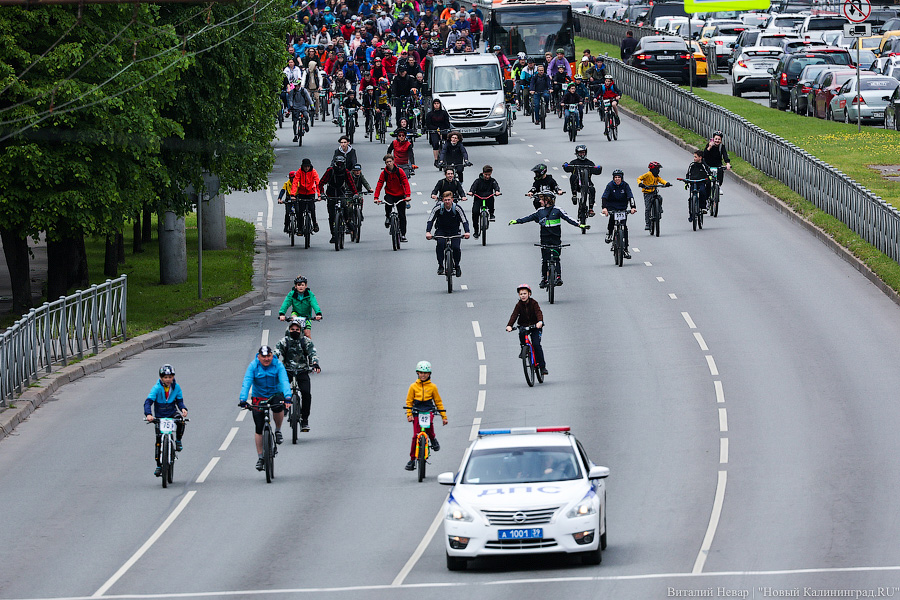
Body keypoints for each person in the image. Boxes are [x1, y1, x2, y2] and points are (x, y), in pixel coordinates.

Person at [508, 188, 586, 287]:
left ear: (547, 200)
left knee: (556, 259)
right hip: (544, 239)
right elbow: (528, 218)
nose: (539, 201)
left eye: (541, 199)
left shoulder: (558, 210)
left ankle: (558, 277)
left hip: (556, 239)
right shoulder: (540, 211)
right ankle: (544, 279)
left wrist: (579, 225)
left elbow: (568, 218)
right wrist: (517, 221)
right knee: (545, 260)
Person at [239, 346, 292, 471]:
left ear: (271, 355)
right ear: (259, 357)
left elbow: (284, 380)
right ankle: (261, 457)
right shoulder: (253, 366)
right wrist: (243, 399)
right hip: (259, 396)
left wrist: (288, 397)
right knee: (258, 427)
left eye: (268, 356)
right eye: (264, 357)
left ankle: (278, 430)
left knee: (279, 407)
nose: (266, 359)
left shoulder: (277, 364)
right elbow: (247, 382)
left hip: (275, 393)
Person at [274, 317, 321, 433]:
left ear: (300, 330)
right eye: (292, 329)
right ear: (288, 329)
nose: (294, 331)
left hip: (302, 371)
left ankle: (305, 420)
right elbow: (276, 352)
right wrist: (272, 362)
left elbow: (313, 353)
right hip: (287, 370)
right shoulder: (284, 341)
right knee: (280, 390)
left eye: (297, 329)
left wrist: (315, 364)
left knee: (306, 394)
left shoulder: (305, 341)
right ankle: (284, 408)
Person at [144, 364, 188, 477]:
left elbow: (180, 401)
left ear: (173, 377)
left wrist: (183, 409)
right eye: (165, 377)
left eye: (170, 377)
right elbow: (148, 402)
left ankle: (178, 440)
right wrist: (149, 414)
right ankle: (159, 465)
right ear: (161, 378)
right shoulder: (157, 388)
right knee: (158, 441)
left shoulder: (176, 387)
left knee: (181, 421)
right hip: (159, 416)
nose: (168, 380)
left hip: (171, 413)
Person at [404, 361, 448, 470]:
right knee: (415, 436)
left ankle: (432, 438)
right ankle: (412, 459)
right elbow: (409, 401)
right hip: (416, 410)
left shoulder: (433, 387)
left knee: (429, 425)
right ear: (417, 373)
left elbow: (438, 401)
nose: (423, 375)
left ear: (429, 374)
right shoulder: (413, 387)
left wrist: (444, 416)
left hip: (428, 409)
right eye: (421, 373)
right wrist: (409, 414)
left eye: (426, 373)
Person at [426, 191, 471, 275]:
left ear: (452, 200)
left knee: (456, 247)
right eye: (445, 200)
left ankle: (457, 265)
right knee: (440, 244)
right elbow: (430, 220)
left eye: (449, 200)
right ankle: (440, 265)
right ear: (443, 200)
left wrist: (467, 232)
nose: (447, 202)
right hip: (441, 230)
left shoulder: (457, 208)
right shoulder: (438, 208)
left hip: (454, 230)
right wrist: (428, 232)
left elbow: (464, 221)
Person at [505, 285, 546, 375]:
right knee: (522, 333)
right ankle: (523, 348)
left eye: (525, 294)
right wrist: (509, 325)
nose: (523, 296)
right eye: (521, 294)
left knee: (536, 344)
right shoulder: (518, 305)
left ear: (529, 294)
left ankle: (542, 367)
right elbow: (514, 315)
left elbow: (538, 312)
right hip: (523, 325)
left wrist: (540, 322)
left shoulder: (534, 303)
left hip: (535, 326)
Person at [318, 155, 359, 245]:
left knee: (345, 208)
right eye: (338, 164)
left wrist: (355, 193)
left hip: (341, 192)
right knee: (331, 216)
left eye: (341, 164)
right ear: (335, 163)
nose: (339, 166)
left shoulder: (346, 172)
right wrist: (321, 193)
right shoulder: (330, 170)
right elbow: (321, 183)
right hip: (331, 194)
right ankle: (333, 234)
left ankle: (347, 222)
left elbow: (351, 183)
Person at [374, 154, 412, 242]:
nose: (389, 163)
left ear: (393, 161)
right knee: (388, 204)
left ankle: (403, 234)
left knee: (402, 216)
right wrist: (376, 197)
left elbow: (406, 183)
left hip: (400, 195)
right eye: (387, 162)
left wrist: (408, 195)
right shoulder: (384, 173)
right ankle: (387, 217)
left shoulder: (400, 171)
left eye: (390, 161)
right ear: (385, 163)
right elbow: (379, 184)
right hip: (390, 194)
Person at [600, 169, 636, 259]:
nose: (617, 179)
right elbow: (604, 197)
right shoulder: (610, 185)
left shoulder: (625, 185)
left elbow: (630, 197)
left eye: (619, 177)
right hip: (612, 207)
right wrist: (604, 208)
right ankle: (609, 233)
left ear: (621, 178)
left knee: (624, 227)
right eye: (615, 177)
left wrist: (633, 207)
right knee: (612, 220)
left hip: (622, 207)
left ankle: (625, 249)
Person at [562, 145, 602, 216]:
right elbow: (567, 169)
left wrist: (599, 168)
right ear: (577, 153)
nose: (582, 154)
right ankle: (574, 195)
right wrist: (565, 165)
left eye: (583, 153)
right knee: (573, 176)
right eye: (580, 153)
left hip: (587, 184)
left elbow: (596, 171)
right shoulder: (574, 162)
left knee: (592, 189)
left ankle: (591, 209)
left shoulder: (589, 163)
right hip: (577, 185)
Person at [467, 164, 500, 237]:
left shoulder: (492, 181)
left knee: (491, 200)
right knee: (475, 213)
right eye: (486, 174)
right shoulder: (477, 181)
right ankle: (476, 230)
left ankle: (491, 213)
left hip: (488, 197)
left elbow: (496, 186)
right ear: (483, 173)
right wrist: (471, 192)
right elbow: (473, 188)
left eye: (489, 175)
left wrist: (497, 191)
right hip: (479, 198)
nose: (487, 176)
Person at [637, 161, 672, 230]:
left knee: (660, 198)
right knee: (648, 208)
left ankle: (659, 208)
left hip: (654, 191)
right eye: (657, 169)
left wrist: (666, 183)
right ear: (653, 169)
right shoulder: (648, 174)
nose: (658, 171)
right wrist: (640, 184)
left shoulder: (656, 176)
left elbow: (661, 180)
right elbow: (639, 178)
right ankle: (647, 223)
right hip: (647, 193)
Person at [683, 149, 713, 222]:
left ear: (700, 158)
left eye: (696, 157)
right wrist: (686, 182)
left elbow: (708, 172)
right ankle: (691, 214)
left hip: (701, 182)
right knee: (691, 199)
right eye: (694, 157)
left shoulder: (703, 165)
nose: (694, 158)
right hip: (693, 182)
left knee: (702, 191)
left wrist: (709, 177)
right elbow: (688, 174)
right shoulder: (692, 165)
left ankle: (703, 207)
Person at [424, 98, 451, 165]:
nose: (436, 105)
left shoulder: (444, 113)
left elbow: (447, 123)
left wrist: (442, 129)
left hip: (443, 130)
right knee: (435, 143)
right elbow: (428, 124)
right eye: (435, 104)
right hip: (434, 130)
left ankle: (448, 157)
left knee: (447, 142)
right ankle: (436, 159)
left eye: (438, 104)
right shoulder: (430, 114)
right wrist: (436, 129)